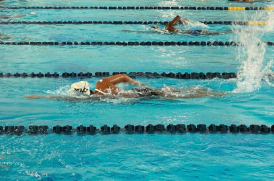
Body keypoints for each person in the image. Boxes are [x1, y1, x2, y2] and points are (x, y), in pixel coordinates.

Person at [25, 74, 225, 100]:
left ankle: (215, 94)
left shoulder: (97, 96)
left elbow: (64, 98)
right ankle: (209, 91)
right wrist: (134, 82)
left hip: (140, 96)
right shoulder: (101, 83)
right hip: (139, 91)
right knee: (174, 92)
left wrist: (41, 97)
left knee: (178, 98)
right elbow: (122, 75)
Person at [159, 15, 233, 35]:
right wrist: (182, 20)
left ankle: (231, 31)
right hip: (193, 32)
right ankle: (231, 31)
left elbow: (178, 17)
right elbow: (178, 17)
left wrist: (181, 20)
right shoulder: (169, 26)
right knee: (217, 32)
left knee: (217, 33)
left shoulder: (169, 27)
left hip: (192, 32)